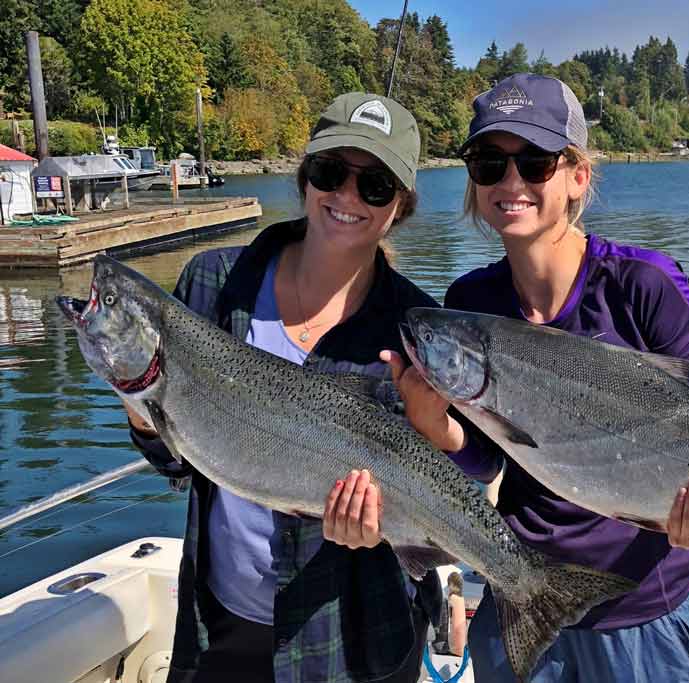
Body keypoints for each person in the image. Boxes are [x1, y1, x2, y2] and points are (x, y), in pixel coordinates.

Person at [380, 73, 689, 682]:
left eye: (535, 162)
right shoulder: (470, 301)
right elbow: (488, 462)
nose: (511, 182)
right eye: (490, 162)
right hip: (518, 596)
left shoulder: (644, 285)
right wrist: (434, 427)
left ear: (576, 176)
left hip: (642, 614)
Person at [126, 92, 440, 683]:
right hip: (221, 619)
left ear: (399, 206)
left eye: (374, 185)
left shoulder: (415, 331)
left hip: (353, 633)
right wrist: (142, 402)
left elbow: (429, 482)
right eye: (331, 173)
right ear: (305, 178)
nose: (347, 197)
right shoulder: (214, 283)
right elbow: (178, 462)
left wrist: (379, 528)